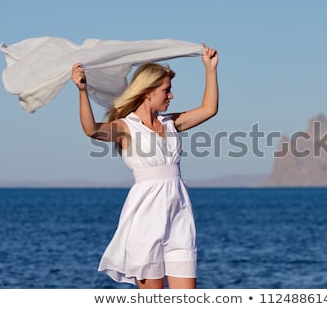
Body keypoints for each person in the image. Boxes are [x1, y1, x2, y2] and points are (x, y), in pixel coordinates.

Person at [71, 44, 218, 289]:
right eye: (166, 90)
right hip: (146, 215)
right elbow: (92, 130)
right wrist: (82, 91)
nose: (171, 96)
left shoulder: (170, 122)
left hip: (179, 212)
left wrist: (210, 70)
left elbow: (209, 109)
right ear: (148, 92)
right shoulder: (126, 127)